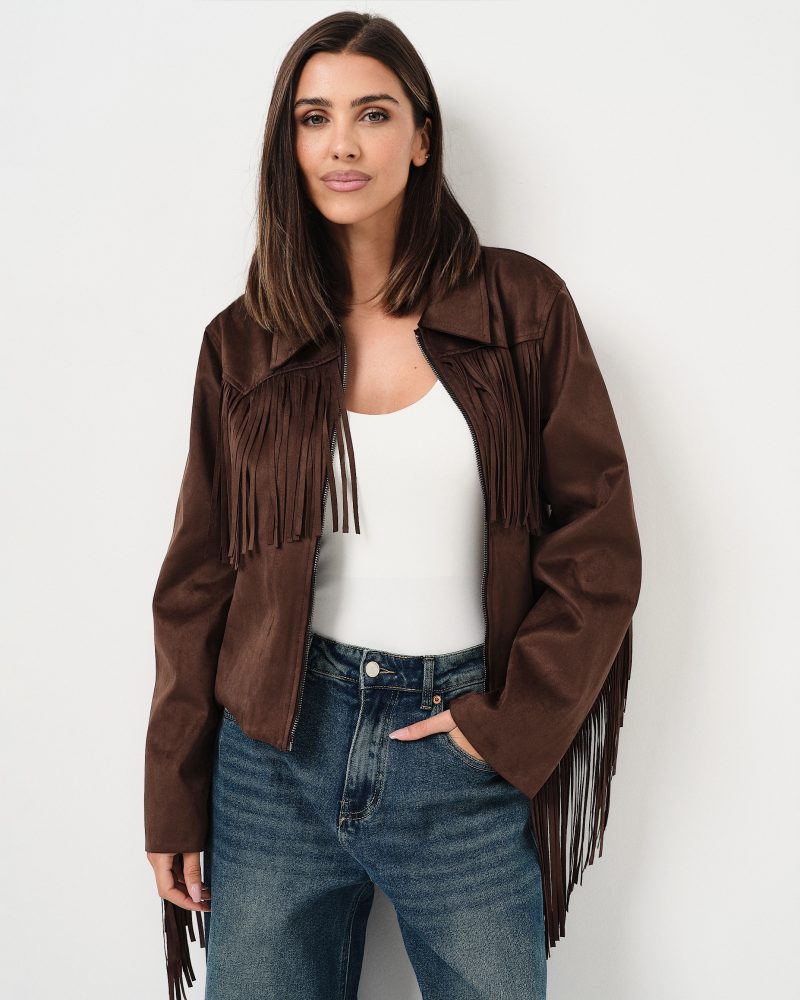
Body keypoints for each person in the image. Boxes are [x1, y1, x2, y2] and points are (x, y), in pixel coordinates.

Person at [143, 10, 642, 1000]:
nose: (341, 144)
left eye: (372, 114)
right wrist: (173, 792)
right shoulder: (243, 342)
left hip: (456, 751)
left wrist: (504, 725)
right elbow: (198, 579)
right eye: (313, 117)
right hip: (273, 755)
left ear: (420, 138)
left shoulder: (521, 309)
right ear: (288, 145)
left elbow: (598, 544)